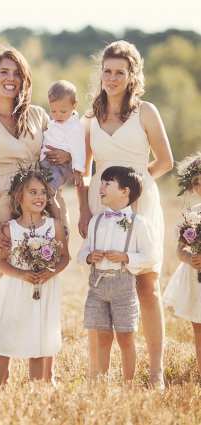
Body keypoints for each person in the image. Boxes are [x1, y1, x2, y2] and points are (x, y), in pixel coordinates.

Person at [0, 46, 70, 381]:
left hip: (43, 201)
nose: (10, 79)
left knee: (47, 279)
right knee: (13, 285)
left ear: (24, 79)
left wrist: (67, 159)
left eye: (17, 73)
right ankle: (2, 374)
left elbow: (61, 150)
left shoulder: (37, 116)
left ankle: (46, 374)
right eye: (4, 72)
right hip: (5, 209)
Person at [77, 40, 173, 389]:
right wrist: (85, 207)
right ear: (100, 74)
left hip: (139, 202)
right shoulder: (90, 116)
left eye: (120, 72)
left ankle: (155, 372)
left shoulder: (145, 112)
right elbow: (83, 168)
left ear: (133, 75)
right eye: (107, 71)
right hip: (101, 203)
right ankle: (99, 375)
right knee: (102, 282)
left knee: (147, 285)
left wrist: (133, 186)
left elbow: (165, 161)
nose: (113, 78)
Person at [0, 170, 69, 387]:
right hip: (15, 289)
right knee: (5, 335)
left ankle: (36, 388)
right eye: (33, 192)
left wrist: (50, 271)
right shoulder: (9, 229)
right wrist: (22, 274)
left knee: (38, 337)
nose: (39, 197)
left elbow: (65, 257)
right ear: (19, 196)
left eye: (43, 192)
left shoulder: (54, 226)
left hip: (44, 288)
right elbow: (0, 262)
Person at [77, 166, 157, 383]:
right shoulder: (96, 221)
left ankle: (128, 383)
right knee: (102, 336)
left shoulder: (138, 223)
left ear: (125, 191)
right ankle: (101, 382)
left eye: (107, 184)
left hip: (124, 286)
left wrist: (126, 257)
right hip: (97, 287)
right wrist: (89, 257)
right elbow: (81, 253)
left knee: (125, 336)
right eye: (101, 183)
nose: (100, 188)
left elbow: (151, 256)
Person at [163, 153, 201, 376]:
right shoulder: (193, 214)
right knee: (198, 328)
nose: (200, 187)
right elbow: (180, 248)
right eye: (196, 183)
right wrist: (188, 258)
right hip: (196, 279)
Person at [39, 80, 85, 189]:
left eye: (63, 111)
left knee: (48, 187)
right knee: (37, 184)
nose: (58, 115)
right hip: (44, 162)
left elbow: (79, 150)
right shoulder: (52, 121)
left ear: (74, 105)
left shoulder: (75, 127)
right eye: (53, 111)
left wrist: (77, 171)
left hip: (60, 166)